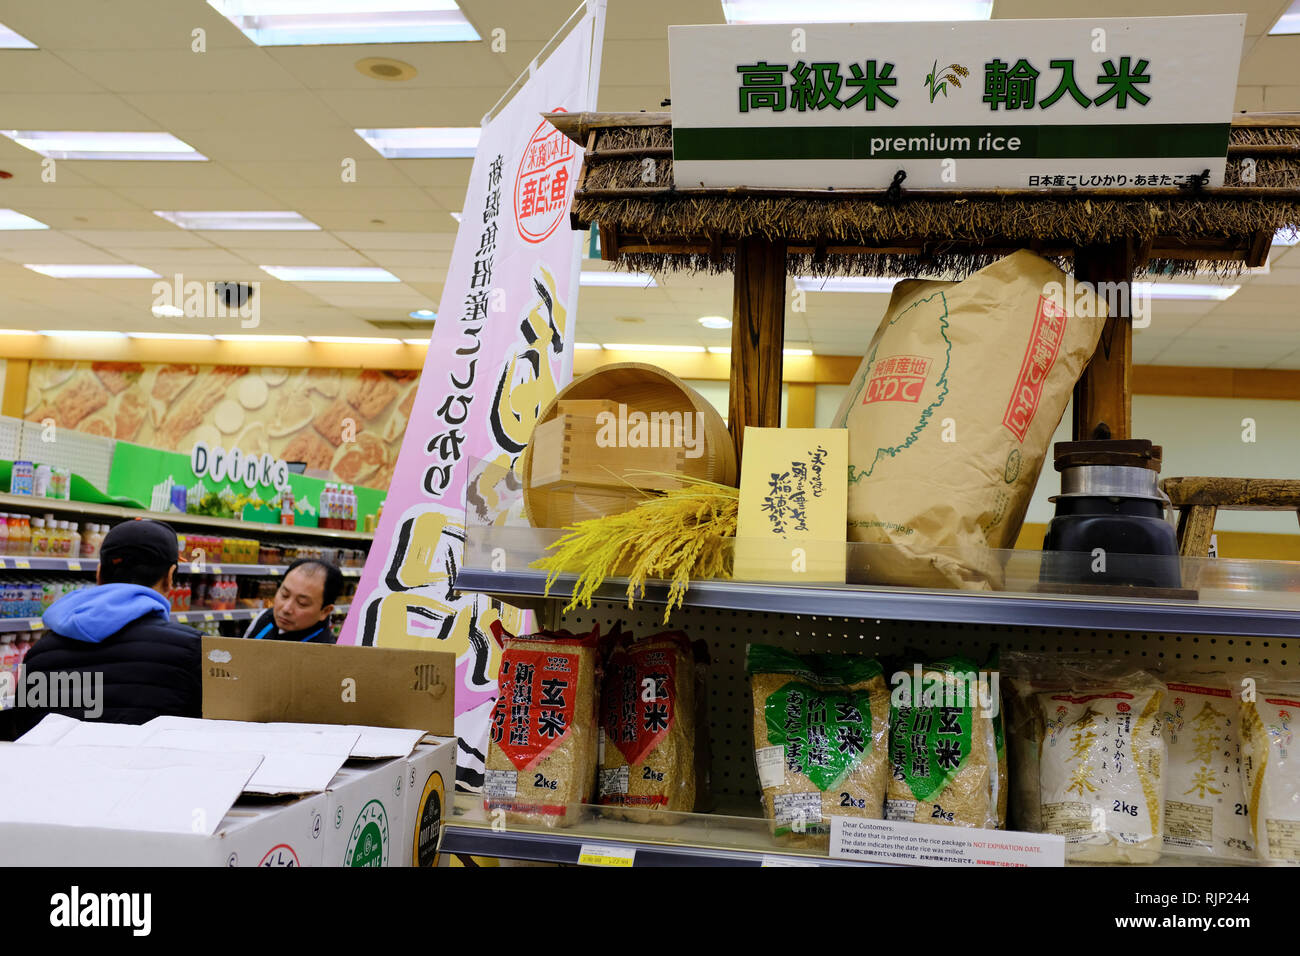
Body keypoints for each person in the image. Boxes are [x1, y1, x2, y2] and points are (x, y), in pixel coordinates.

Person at [16, 519, 200, 732]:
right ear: (169, 577)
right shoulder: (195, 652)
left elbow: (25, 732)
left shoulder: (40, 654)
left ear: (99, 572)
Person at [241, 557, 341, 644]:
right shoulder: (265, 618)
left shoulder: (324, 657)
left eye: (302, 603)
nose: (286, 609)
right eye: (284, 595)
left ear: (325, 611)